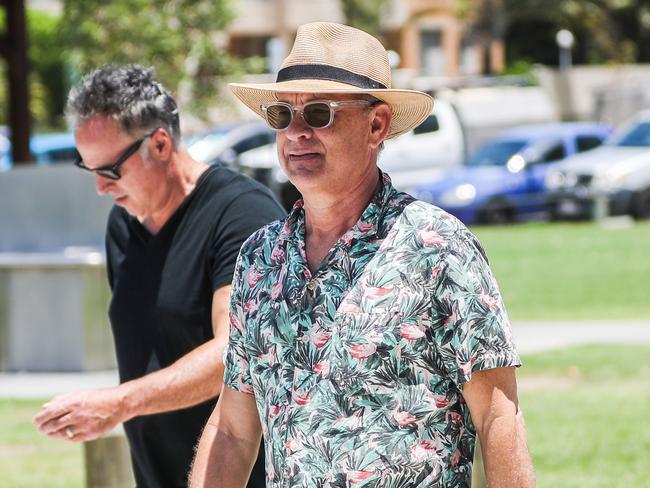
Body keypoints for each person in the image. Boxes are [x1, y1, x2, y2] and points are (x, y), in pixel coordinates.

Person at [190, 22, 535, 488]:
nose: (296, 133)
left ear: (377, 125)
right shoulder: (259, 257)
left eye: (318, 114)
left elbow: (498, 420)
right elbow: (233, 430)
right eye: (280, 115)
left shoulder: (438, 248)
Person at [33, 65, 284, 487]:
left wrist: (120, 403)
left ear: (161, 144)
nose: (99, 188)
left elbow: (233, 352)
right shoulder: (123, 224)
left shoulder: (242, 215)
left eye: (109, 170)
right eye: (87, 167)